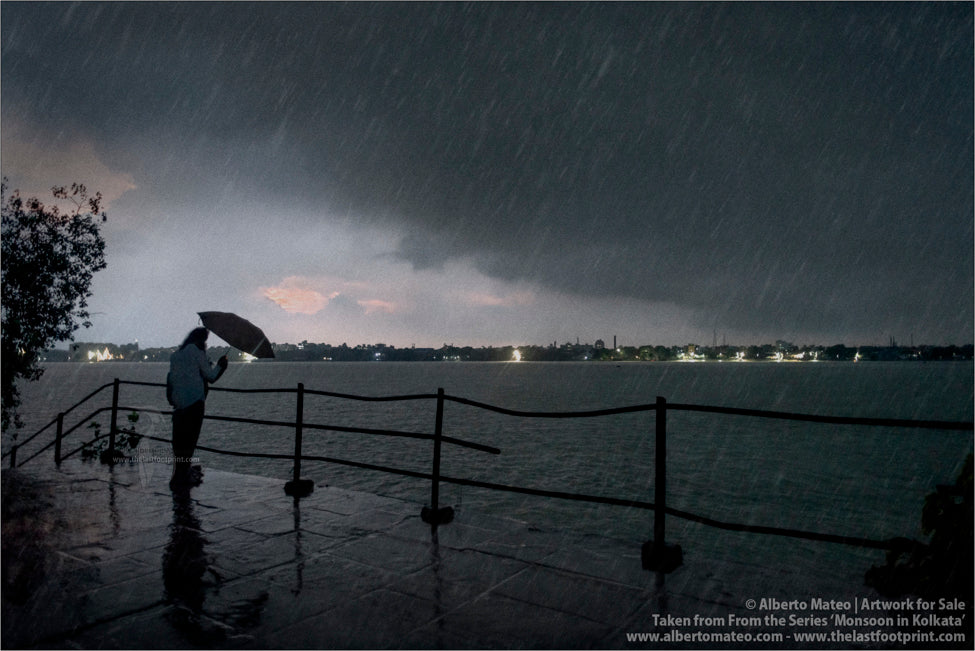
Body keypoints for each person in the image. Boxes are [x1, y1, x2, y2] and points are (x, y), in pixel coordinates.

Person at [167, 327, 227, 489]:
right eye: (205, 341)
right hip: (195, 404)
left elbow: (173, 379)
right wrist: (222, 365)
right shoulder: (197, 353)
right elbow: (211, 377)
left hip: (179, 405)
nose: (206, 345)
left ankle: (178, 475)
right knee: (190, 441)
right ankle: (183, 476)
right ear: (200, 341)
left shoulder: (176, 356)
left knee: (179, 443)